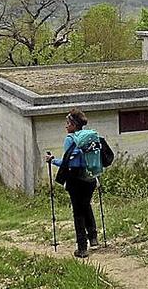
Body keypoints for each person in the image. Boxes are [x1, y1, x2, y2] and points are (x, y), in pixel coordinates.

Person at [45, 109, 98, 258]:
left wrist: (52, 160)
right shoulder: (90, 137)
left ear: (74, 125)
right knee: (86, 206)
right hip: (91, 179)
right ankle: (93, 237)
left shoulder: (70, 139)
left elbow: (68, 163)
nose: (66, 126)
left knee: (78, 213)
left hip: (76, 181)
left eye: (68, 123)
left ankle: (82, 248)